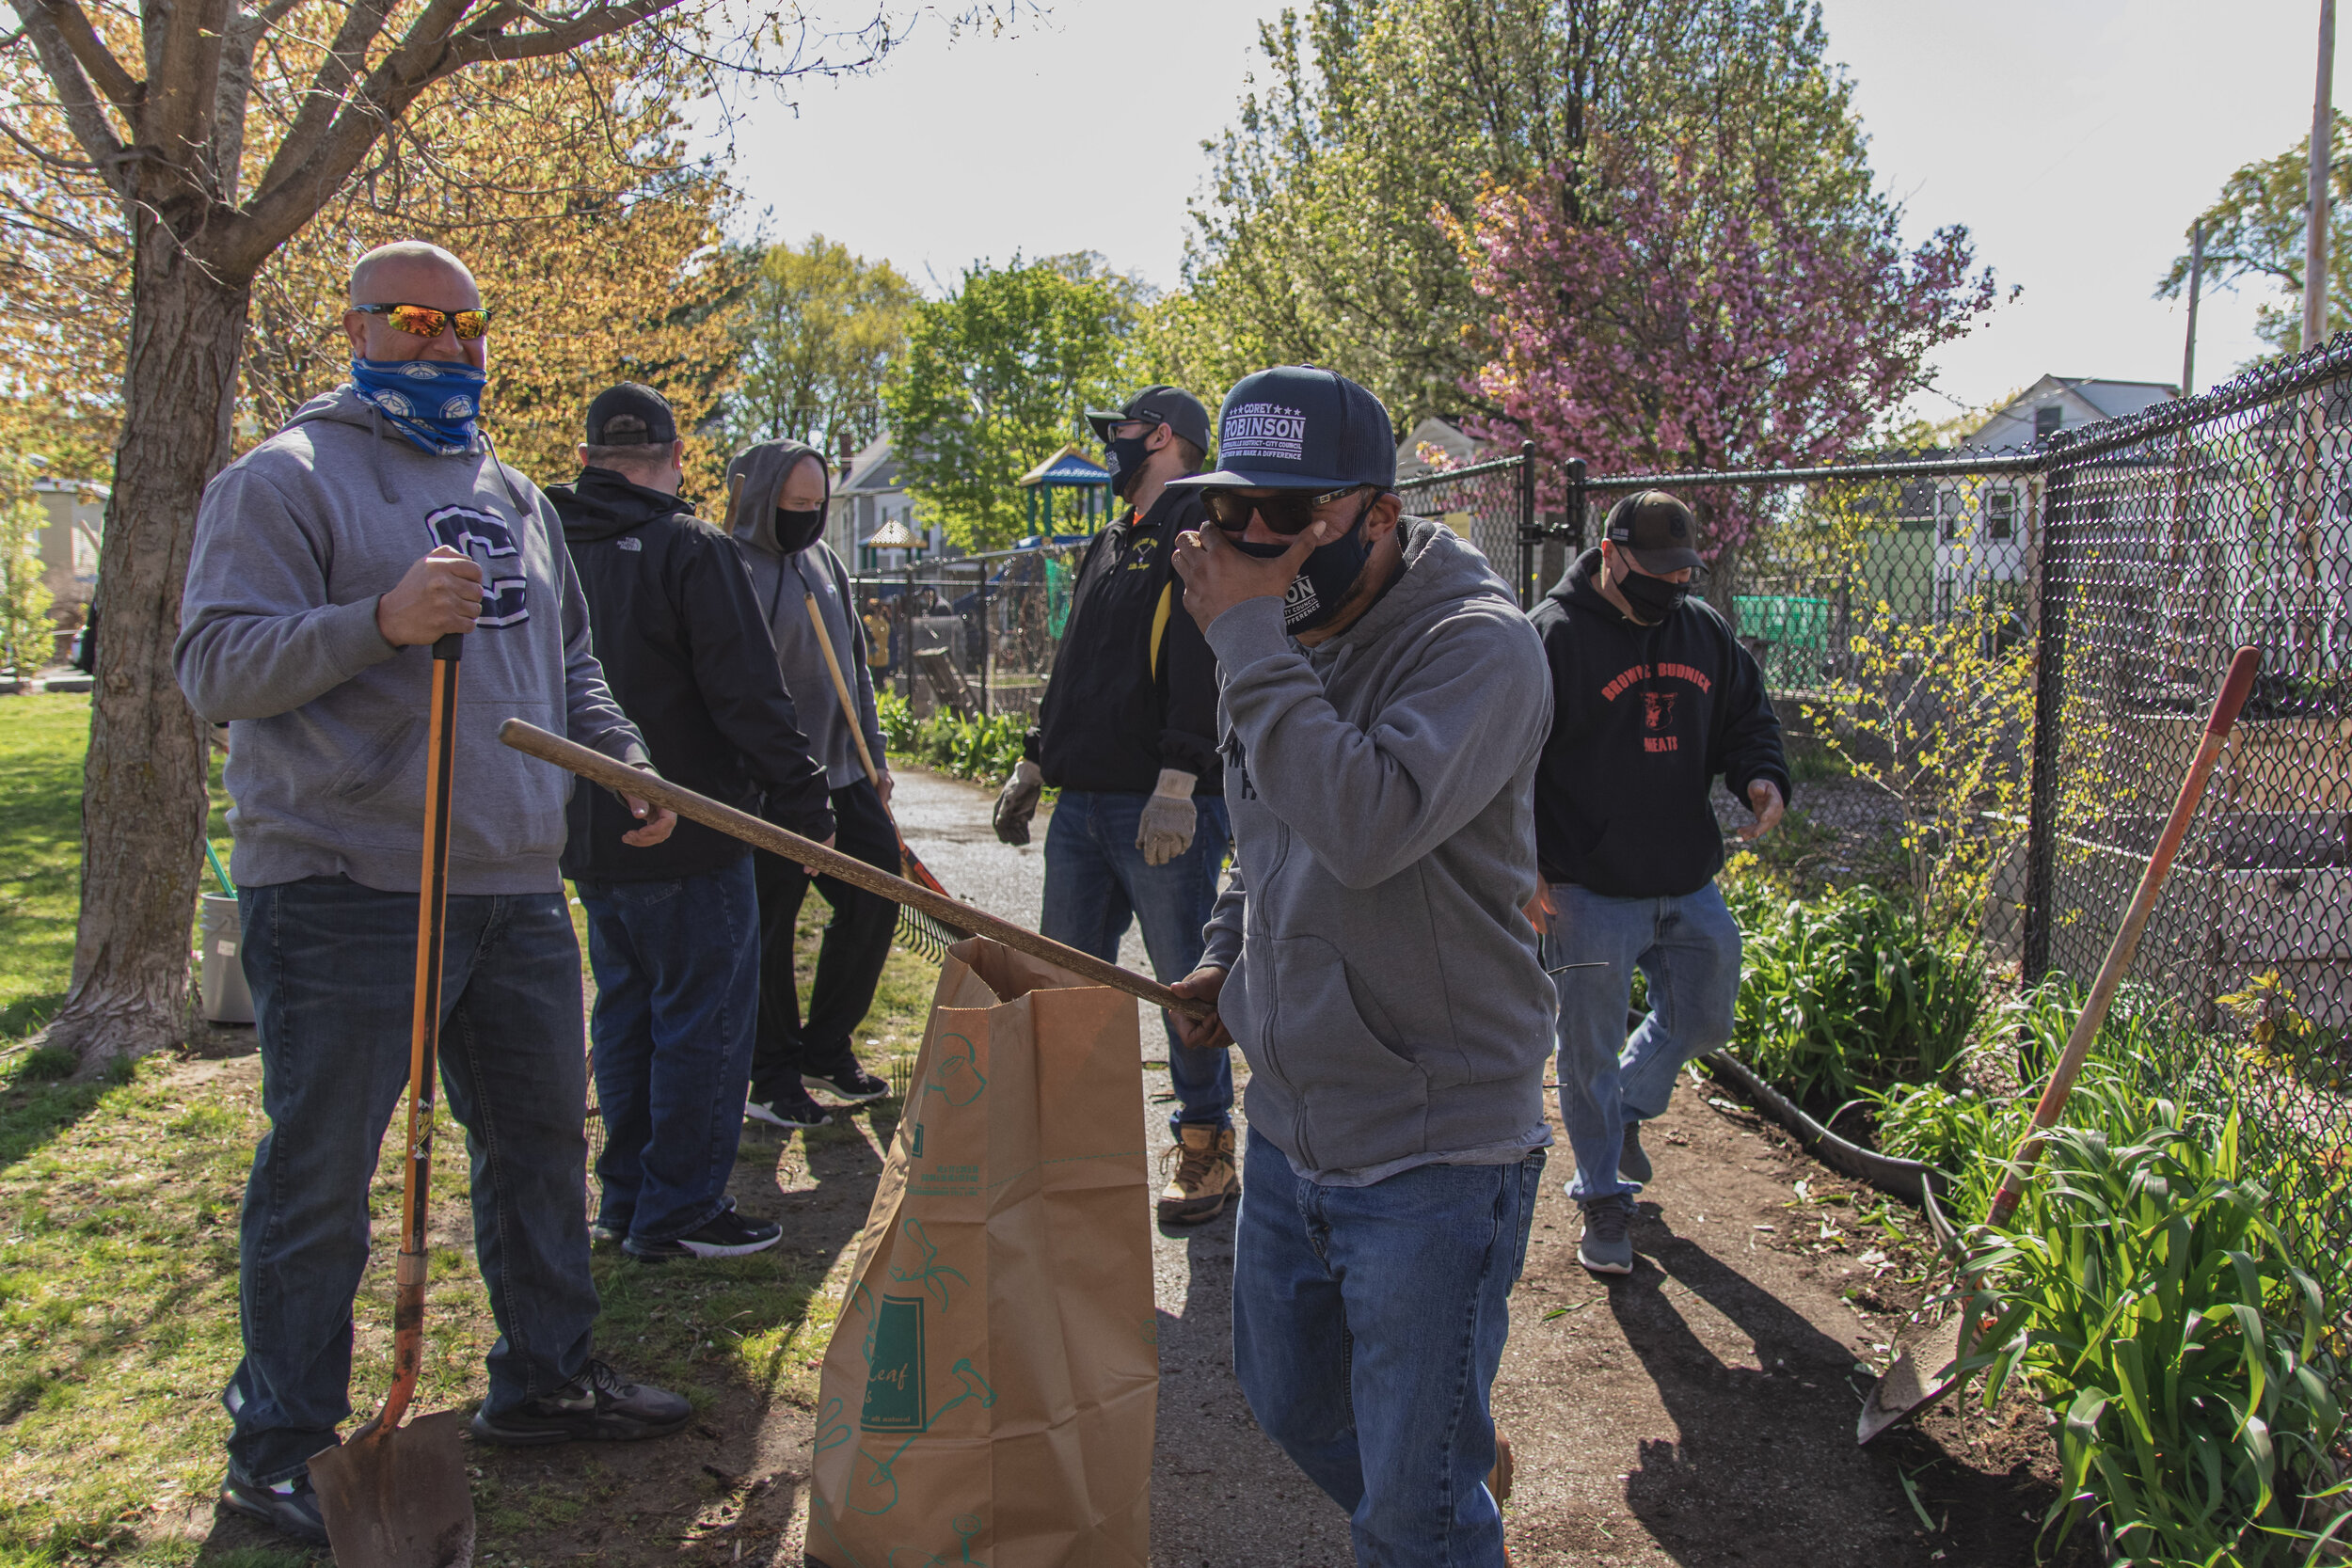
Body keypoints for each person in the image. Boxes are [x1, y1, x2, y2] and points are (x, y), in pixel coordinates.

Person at [176, 242, 689, 1547]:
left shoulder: (509, 488)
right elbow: (216, 666)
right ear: (358, 327)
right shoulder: (282, 480)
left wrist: (618, 758)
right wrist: (380, 623)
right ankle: (282, 1439)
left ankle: (547, 1372)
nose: (452, 346)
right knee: (322, 1170)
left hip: (514, 883)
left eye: (468, 325)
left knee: (536, 1142)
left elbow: (566, 661)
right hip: (349, 884)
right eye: (418, 321)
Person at [1162, 367, 1554, 1565]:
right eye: (1235, 514)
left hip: (1431, 1145)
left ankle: (1435, 1494)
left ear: (1380, 514)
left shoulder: (1477, 649)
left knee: (1406, 1525)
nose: (1258, 542)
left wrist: (1240, 635)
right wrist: (1227, 956)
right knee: (1287, 1401)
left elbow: (1365, 824)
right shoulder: (1284, 639)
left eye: (1297, 515)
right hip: (1291, 1126)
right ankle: (1444, 1466)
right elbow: (1265, 834)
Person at [550, 385, 838, 1262]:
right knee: (702, 1021)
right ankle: (678, 1207)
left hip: (590, 829)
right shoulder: (688, 547)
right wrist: (802, 797)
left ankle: (627, 1197)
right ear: (676, 459)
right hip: (690, 825)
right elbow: (747, 693)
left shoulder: (546, 541)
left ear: (593, 457)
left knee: (628, 1012)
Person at [991, 385, 1239, 1226]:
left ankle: (1207, 1145)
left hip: (1161, 808)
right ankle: (1075, 1151)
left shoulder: (1200, 522)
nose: (1111, 446)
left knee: (1184, 989)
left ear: (1162, 435)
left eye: (1120, 432)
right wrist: (1034, 758)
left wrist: (1180, 779)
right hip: (1085, 806)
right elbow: (1079, 661)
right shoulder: (1116, 533)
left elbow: (1210, 652)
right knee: (1068, 986)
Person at [1529, 491, 1788, 1275]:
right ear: (1610, 556)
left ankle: (1631, 1106)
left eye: (1685, 573)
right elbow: (1505, 761)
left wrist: (1762, 778)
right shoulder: (1549, 638)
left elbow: (1748, 716)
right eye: (1657, 573)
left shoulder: (1699, 627)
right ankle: (1602, 1195)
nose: (1673, 588)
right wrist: (1524, 860)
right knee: (1586, 1050)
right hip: (1584, 885)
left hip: (1684, 874)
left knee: (1707, 1017)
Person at [727, 440, 898, 1130]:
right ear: (761, 497)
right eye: (794, 506)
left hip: (845, 769)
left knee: (877, 896)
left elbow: (855, 659)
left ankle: (825, 1046)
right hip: (770, 785)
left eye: (817, 505)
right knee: (771, 922)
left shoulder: (824, 561)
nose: (807, 517)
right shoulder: (729, 565)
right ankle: (769, 1072)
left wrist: (876, 754)